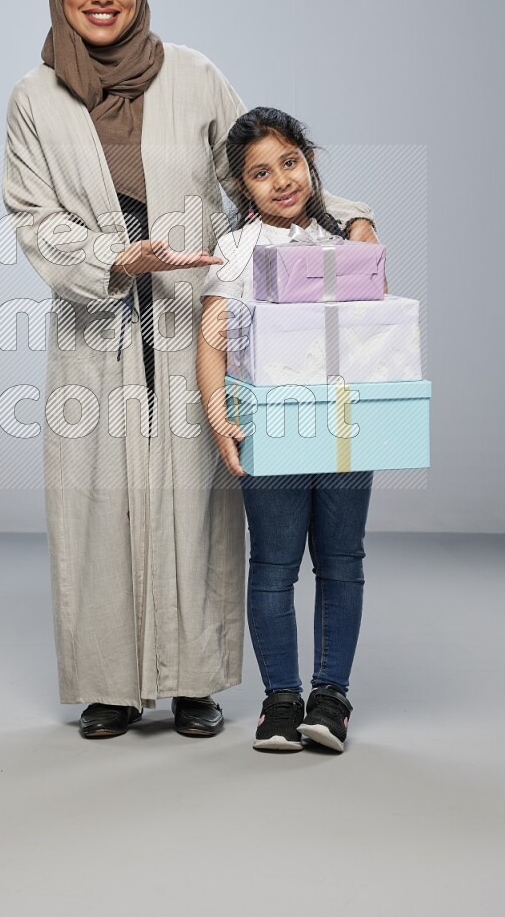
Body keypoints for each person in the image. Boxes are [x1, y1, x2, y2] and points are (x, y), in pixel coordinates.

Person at [3, 0, 376, 738]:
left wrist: (345, 217)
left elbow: (259, 165)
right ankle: (109, 684)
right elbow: (32, 217)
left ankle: (193, 681)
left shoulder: (195, 75)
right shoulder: (34, 98)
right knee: (101, 502)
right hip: (97, 322)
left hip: (190, 318)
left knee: (196, 503)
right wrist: (112, 257)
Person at [197, 107, 380, 753]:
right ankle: (281, 700)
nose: (280, 180)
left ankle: (331, 698)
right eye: (259, 173)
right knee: (274, 565)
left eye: (290, 162)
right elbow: (213, 335)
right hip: (271, 428)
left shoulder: (345, 237)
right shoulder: (237, 250)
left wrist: (362, 229)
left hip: (343, 421)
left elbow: (376, 326)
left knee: (342, 560)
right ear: (242, 189)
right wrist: (220, 418)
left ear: (309, 160)